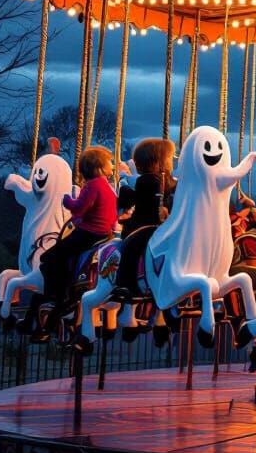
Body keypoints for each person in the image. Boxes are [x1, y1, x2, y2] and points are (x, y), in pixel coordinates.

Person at [24, 146, 117, 338]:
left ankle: (56, 292)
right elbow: (94, 211)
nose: (112, 166)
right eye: (110, 162)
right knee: (63, 254)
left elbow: (79, 208)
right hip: (104, 232)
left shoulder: (92, 185)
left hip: (91, 233)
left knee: (49, 258)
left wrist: (67, 200)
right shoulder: (106, 185)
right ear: (98, 166)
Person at [115, 138, 176, 295]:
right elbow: (150, 198)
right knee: (131, 248)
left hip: (155, 224)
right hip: (144, 225)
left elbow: (168, 190)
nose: (171, 162)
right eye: (168, 159)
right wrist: (161, 206)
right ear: (156, 162)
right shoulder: (148, 180)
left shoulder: (163, 179)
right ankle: (126, 282)